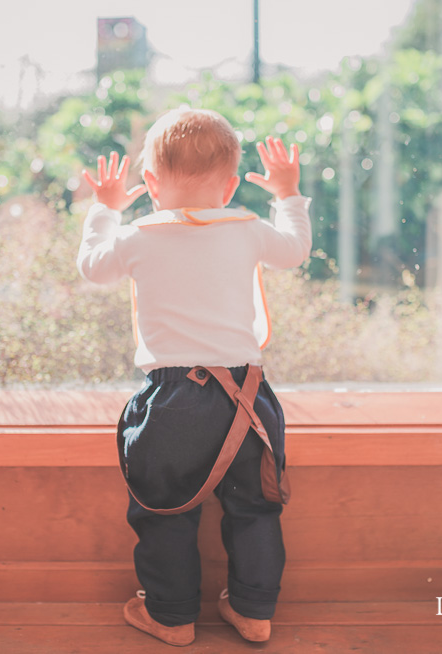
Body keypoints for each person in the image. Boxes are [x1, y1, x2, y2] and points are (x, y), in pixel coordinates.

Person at [76, 107, 312, 647]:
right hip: (248, 397)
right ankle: (254, 611)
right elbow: (296, 250)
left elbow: (92, 268)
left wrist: (105, 209)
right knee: (255, 507)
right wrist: (288, 193)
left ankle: (172, 616)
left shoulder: (137, 236)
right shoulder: (248, 230)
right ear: (230, 186)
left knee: (164, 508)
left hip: (172, 400)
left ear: (151, 184)